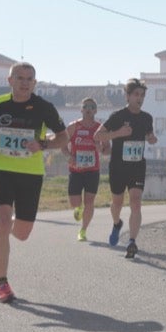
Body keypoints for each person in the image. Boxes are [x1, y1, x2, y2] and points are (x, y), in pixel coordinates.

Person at [0, 61, 68, 303]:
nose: (25, 82)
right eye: (20, 78)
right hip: (2, 169)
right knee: (3, 224)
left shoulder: (44, 108)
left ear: (35, 83)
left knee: (21, 233)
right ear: (10, 81)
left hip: (31, 173)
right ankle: (2, 283)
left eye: (30, 79)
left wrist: (42, 144)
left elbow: (63, 138)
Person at [100, 78, 158, 259]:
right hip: (118, 166)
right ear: (128, 96)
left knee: (135, 201)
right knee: (117, 203)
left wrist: (151, 138)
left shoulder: (147, 117)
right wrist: (117, 133)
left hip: (137, 165)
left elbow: (149, 134)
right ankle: (117, 223)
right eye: (136, 95)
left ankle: (132, 241)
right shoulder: (118, 116)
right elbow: (98, 135)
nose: (139, 98)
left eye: (142, 95)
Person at [64, 97, 103, 241]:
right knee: (74, 201)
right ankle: (77, 208)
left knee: (89, 202)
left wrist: (101, 148)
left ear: (96, 110)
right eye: (86, 106)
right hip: (76, 169)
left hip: (93, 170)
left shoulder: (100, 128)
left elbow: (106, 148)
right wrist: (69, 156)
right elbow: (63, 145)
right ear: (81, 109)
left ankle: (83, 230)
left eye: (92, 107)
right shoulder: (73, 126)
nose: (88, 109)